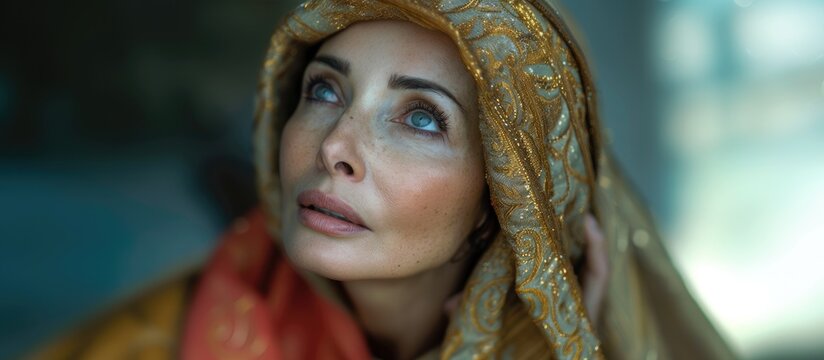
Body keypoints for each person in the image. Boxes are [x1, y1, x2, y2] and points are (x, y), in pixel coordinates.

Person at [32, 1, 733, 359]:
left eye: (423, 118)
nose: (335, 145)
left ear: (509, 199)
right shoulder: (152, 344)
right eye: (325, 92)